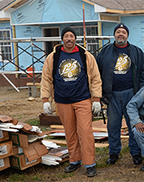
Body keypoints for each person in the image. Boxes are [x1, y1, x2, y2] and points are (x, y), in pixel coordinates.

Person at [41, 27, 101, 177]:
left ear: (75, 39)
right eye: (66, 36)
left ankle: (90, 163)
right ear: (62, 39)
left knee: (85, 131)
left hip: (82, 99)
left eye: (71, 36)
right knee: (69, 132)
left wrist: (97, 99)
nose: (69, 39)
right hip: (62, 101)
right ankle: (74, 161)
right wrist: (45, 99)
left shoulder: (85, 55)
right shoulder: (53, 57)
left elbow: (95, 77)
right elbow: (46, 78)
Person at [96, 23, 144, 165]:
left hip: (132, 95)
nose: (121, 34)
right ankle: (114, 152)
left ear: (127, 35)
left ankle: (136, 152)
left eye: (123, 32)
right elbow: (97, 74)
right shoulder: (105, 52)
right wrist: (99, 94)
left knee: (133, 124)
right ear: (114, 35)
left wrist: (142, 95)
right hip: (112, 95)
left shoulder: (137, 52)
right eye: (118, 32)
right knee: (113, 125)